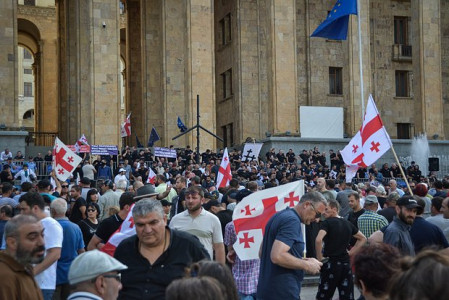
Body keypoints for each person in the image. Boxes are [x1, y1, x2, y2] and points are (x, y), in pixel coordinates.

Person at [114, 199, 210, 299]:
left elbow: (210, 282)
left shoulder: (189, 245)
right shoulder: (125, 248)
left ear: (164, 220)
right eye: (141, 225)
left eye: (153, 223)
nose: (147, 230)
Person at [257, 191, 327, 300]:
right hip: (282, 292)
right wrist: (307, 265)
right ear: (307, 205)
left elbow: (262, 252)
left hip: (268, 289)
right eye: (317, 214)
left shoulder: (279, 215)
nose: (317, 219)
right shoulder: (292, 221)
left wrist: (304, 260)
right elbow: (277, 256)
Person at [315, 199, 366, 300]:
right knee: (347, 295)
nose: (323, 213)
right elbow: (363, 238)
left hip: (330, 264)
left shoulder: (327, 223)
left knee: (324, 295)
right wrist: (351, 253)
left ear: (334, 209)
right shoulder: (348, 223)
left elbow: (318, 240)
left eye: (326, 210)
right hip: (345, 265)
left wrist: (319, 258)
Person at [19, 192, 63, 300]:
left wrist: (32, 273)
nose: (21, 213)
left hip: (42, 285)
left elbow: (55, 254)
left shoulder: (50, 224)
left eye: (24, 209)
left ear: (35, 208)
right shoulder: (32, 224)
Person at [169, 185, 225, 264]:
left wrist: (220, 271)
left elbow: (219, 247)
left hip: (205, 269)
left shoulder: (213, 220)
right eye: (188, 198)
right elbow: (170, 247)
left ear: (202, 200)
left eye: (194, 198)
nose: (190, 201)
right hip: (181, 270)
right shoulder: (176, 220)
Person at [0, 214, 45, 300]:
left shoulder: (25, 267)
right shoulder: (4, 277)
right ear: (12, 243)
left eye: (42, 235)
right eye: (33, 237)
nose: (41, 242)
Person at [51, 198, 85, 300]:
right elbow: (81, 251)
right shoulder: (75, 227)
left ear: (53, 211)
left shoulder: (50, 227)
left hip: (54, 274)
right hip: (71, 274)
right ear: (65, 210)